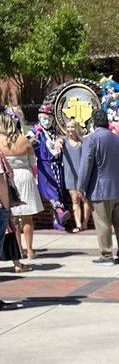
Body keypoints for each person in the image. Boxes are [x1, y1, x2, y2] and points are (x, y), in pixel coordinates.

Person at [78, 108, 119, 265]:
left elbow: (85, 165)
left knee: (103, 223)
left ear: (93, 124)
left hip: (101, 190)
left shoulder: (92, 139)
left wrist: (81, 187)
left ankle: (106, 255)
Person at [0, 111, 42, 263]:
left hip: (8, 178)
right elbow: (32, 162)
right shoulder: (24, 140)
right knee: (27, 217)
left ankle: (19, 251)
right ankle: (30, 249)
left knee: (14, 218)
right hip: (25, 176)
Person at [61, 120, 91, 232]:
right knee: (75, 199)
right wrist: (57, 144)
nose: (70, 129)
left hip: (82, 175)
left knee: (85, 199)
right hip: (69, 175)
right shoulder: (64, 141)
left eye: (72, 127)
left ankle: (85, 223)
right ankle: (78, 225)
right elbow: (58, 141)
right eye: (68, 127)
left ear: (76, 128)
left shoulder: (82, 142)